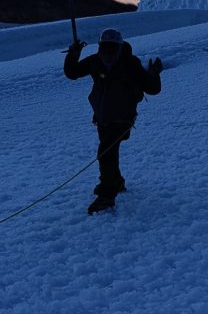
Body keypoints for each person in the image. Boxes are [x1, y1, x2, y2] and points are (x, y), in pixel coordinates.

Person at [64, 28, 162, 214]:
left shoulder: (130, 64)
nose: (108, 53)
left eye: (112, 48)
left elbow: (152, 88)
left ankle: (107, 196)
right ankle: (116, 182)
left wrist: (154, 73)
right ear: (100, 47)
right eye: (104, 48)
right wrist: (74, 53)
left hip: (122, 119)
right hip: (102, 118)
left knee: (105, 152)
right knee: (108, 149)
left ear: (119, 48)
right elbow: (72, 72)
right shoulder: (95, 62)